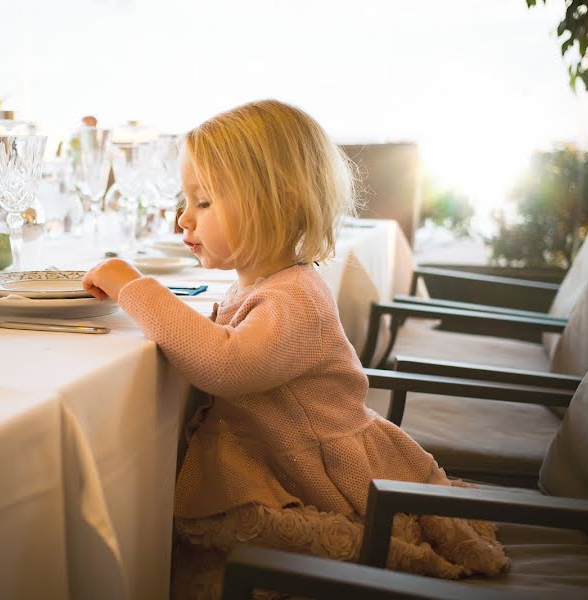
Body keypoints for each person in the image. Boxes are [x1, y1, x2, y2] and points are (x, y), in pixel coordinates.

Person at [82, 99, 509, 599]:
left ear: (277, 203)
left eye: (204, 202)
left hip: (324, 486)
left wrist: (135, 288)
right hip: (286, 465)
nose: (183, 219)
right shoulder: (268, 285)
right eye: (187, 200)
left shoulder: (295, 298)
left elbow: (224, 363)